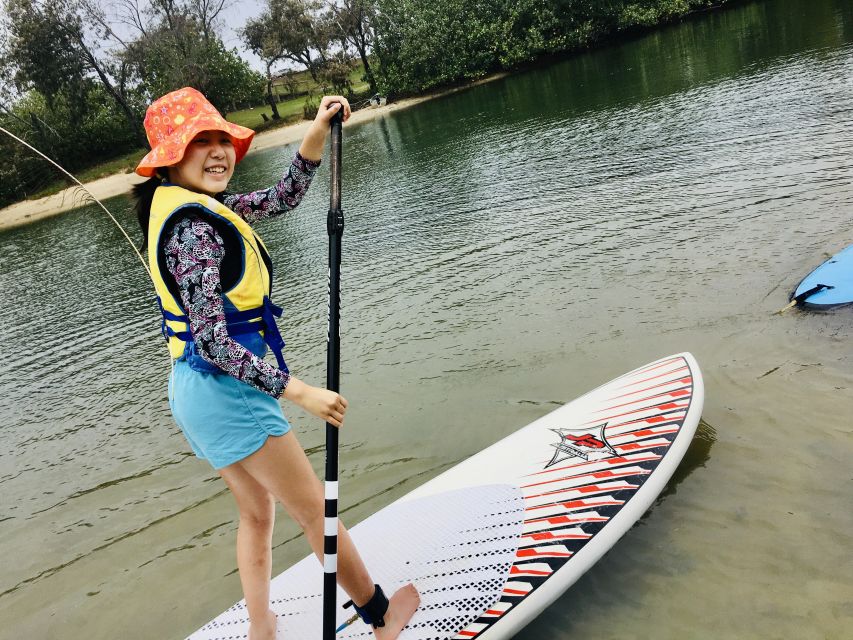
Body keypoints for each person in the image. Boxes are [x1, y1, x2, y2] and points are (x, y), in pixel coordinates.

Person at [133, 87, 419, 640]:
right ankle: (381, 616)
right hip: (226, 388)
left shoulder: (200, 209)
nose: (218, 152)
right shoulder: (193, 230)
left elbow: (283, 198)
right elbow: (216, 342)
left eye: (222, 139)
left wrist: (316, 130)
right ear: (171, 156)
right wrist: (300, 391)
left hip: (194, 391)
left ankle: (261, 628)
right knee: (317, 512)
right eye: (201, 142)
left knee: (257, 514)